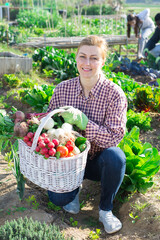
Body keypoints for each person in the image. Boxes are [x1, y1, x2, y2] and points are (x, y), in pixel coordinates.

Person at [46, 35, 128, 234]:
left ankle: (105, 210)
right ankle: (73, 191)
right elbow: (48, 128)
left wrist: (85, 123)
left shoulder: (114, 94)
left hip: (98, 161)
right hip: (68, 160)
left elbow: (114, 137)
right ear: (76, 58)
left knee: (116, 157)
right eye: (83, 56)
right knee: (58, 199)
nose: (87, 63)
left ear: (102, 61)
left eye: (94, 58)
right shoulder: (62, 89)